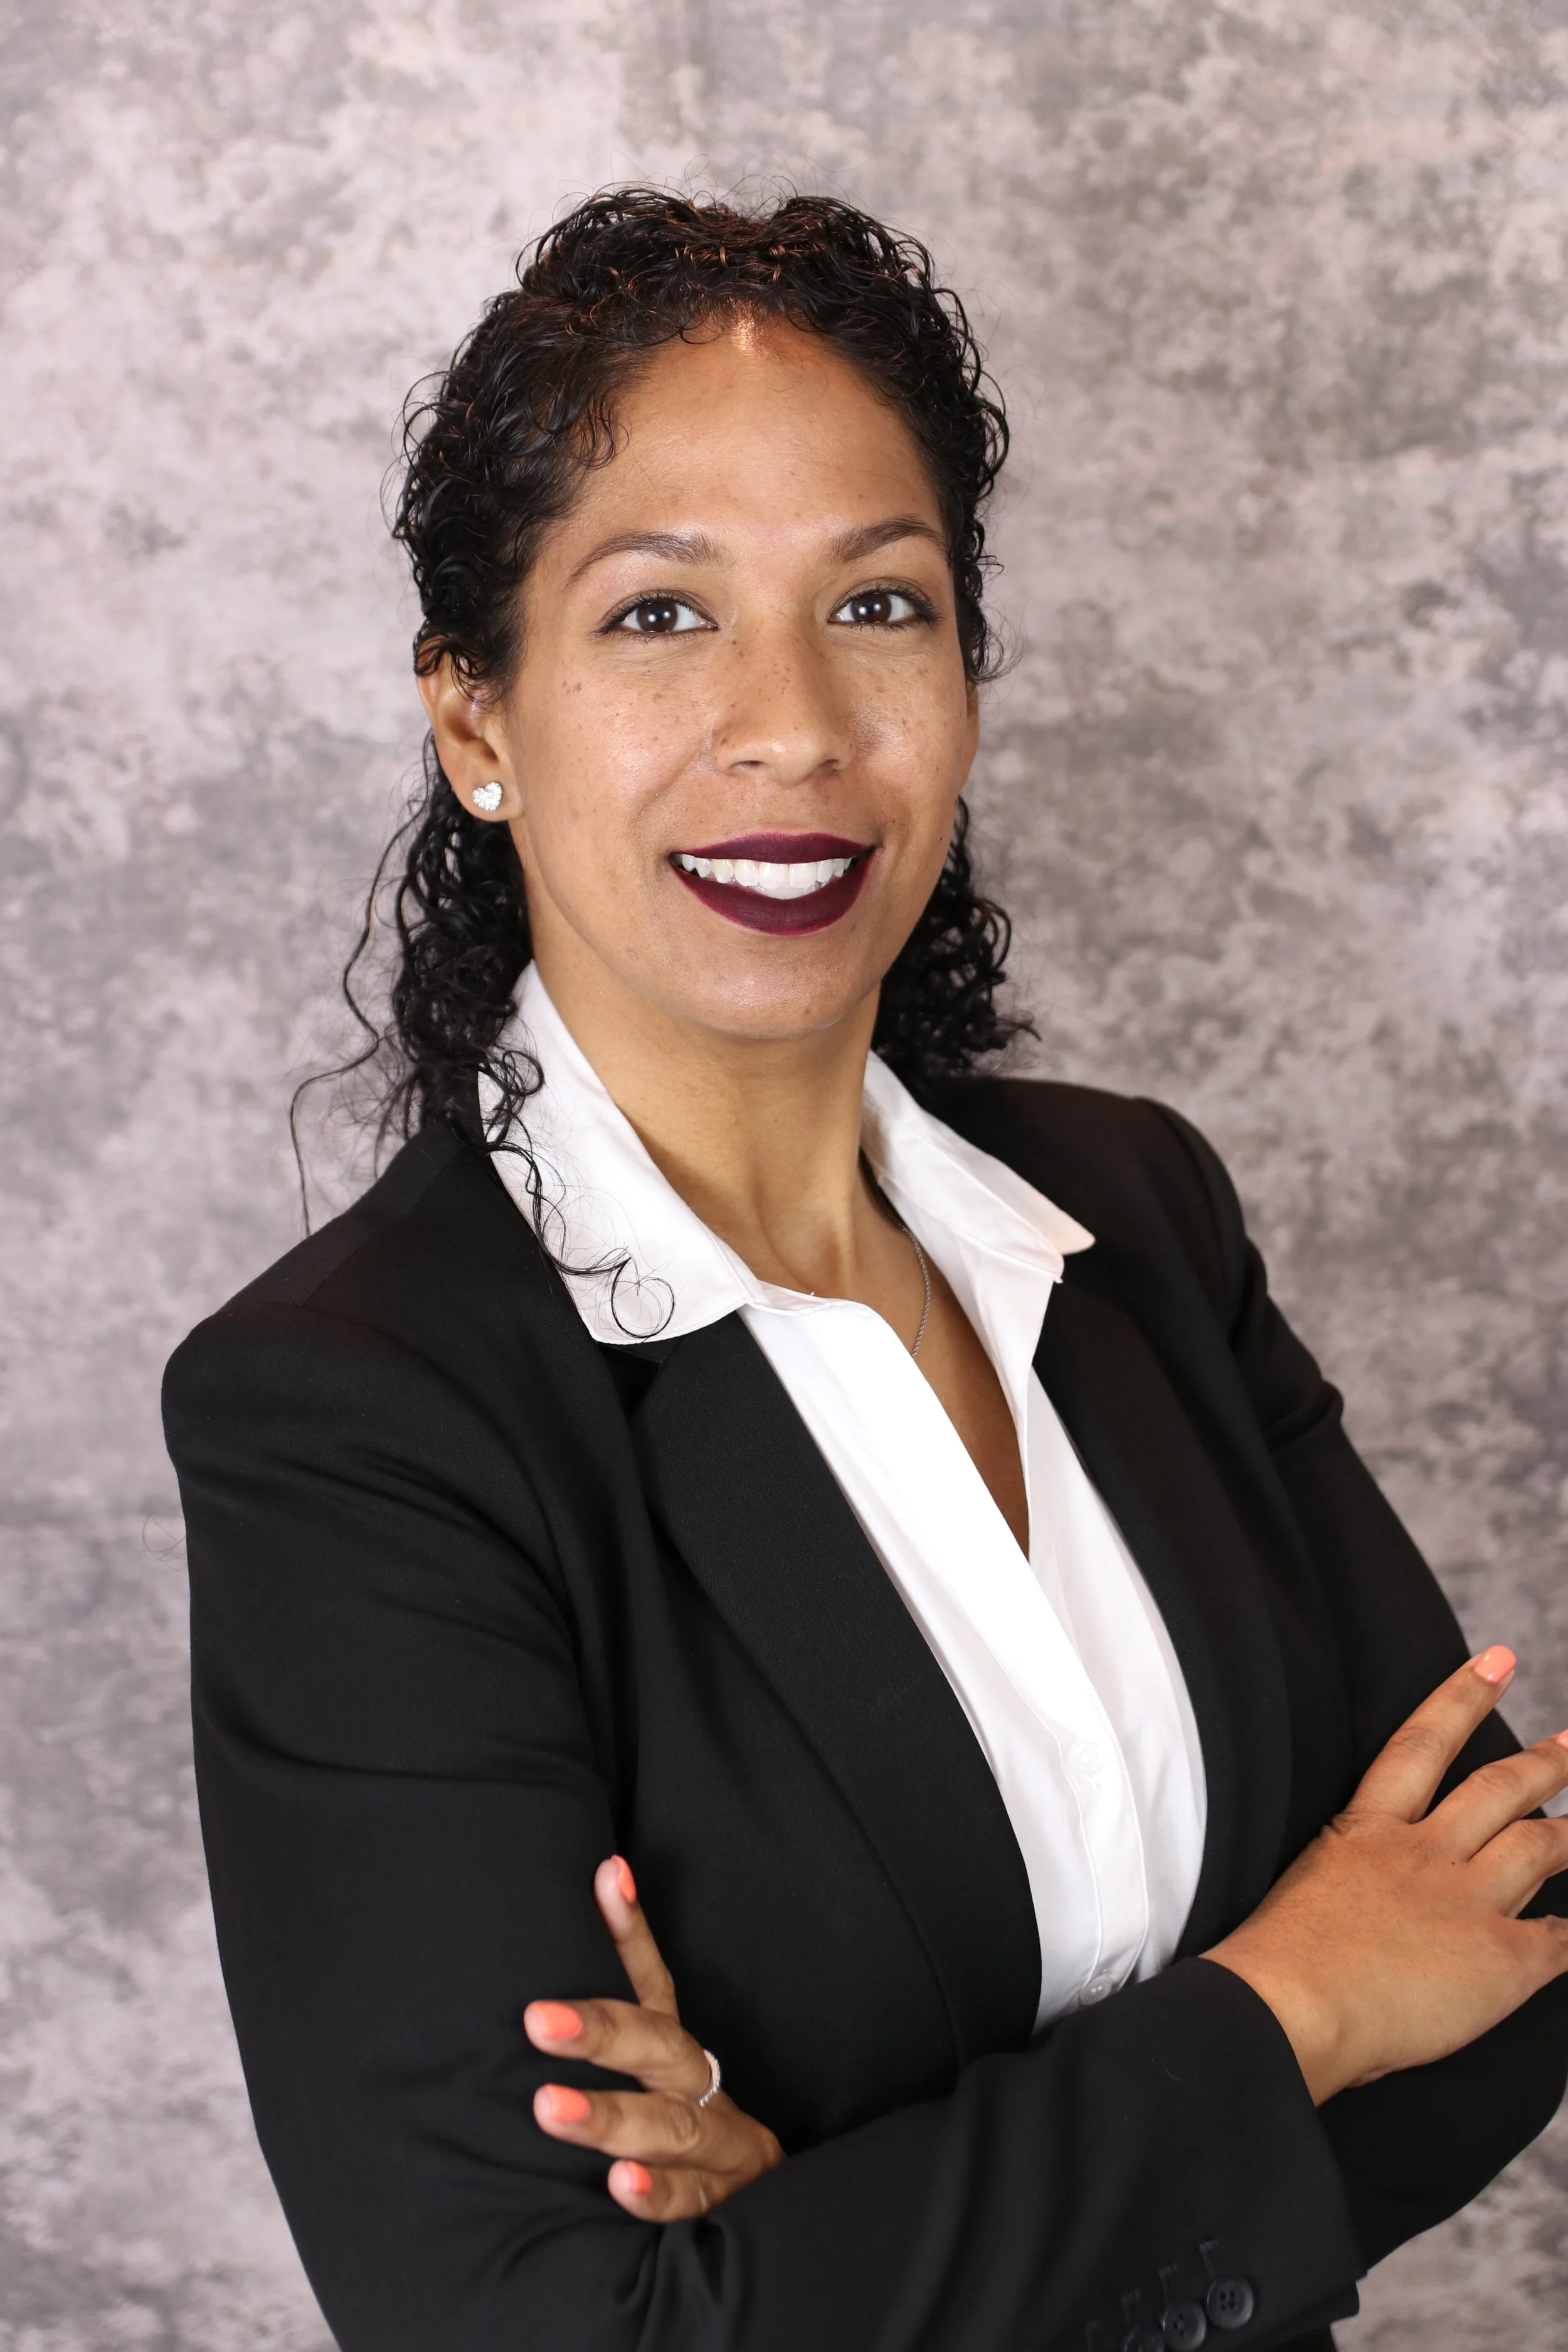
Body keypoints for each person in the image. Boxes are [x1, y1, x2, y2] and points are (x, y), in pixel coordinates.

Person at [163, 189, 1568, 2352]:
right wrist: (1292, 2001)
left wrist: (808, 2228)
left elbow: (1496, 1977)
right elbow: (535, 2328)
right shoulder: (367, 1415)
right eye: (656, 617)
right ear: (476, 719)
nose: (794, 724)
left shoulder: (1135, 1219)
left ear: (968, 683)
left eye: (879, 603)